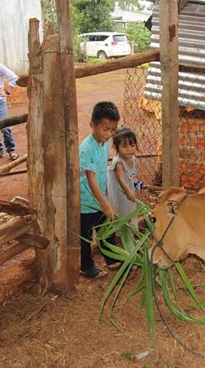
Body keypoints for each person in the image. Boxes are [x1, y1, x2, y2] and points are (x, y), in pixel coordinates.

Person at [79, 101, 121, 279]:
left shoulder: (103, 144)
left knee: (106, 231)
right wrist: (105, 203)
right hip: (86, 203)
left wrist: (105, 200)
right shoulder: (87, 148)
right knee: (85, 238)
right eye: (105, 129)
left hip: (99, 200)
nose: (109, 134)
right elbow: (91, 180)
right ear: (92, 125)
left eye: (113, 129)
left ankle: (111, 259)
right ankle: (86, 267)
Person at [107, 126, 139, 229]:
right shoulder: (119, 163)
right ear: (116, 147)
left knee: (131, 212)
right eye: (124, 146)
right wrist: (128, 190)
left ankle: (130, 235)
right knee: (121, 214)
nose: (129, 149)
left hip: (128, 191)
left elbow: (130, 177)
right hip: (120, 193)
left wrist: (136, 184)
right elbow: (121, 178)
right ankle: (121, 236)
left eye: (132, 145)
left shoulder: (133, 159)